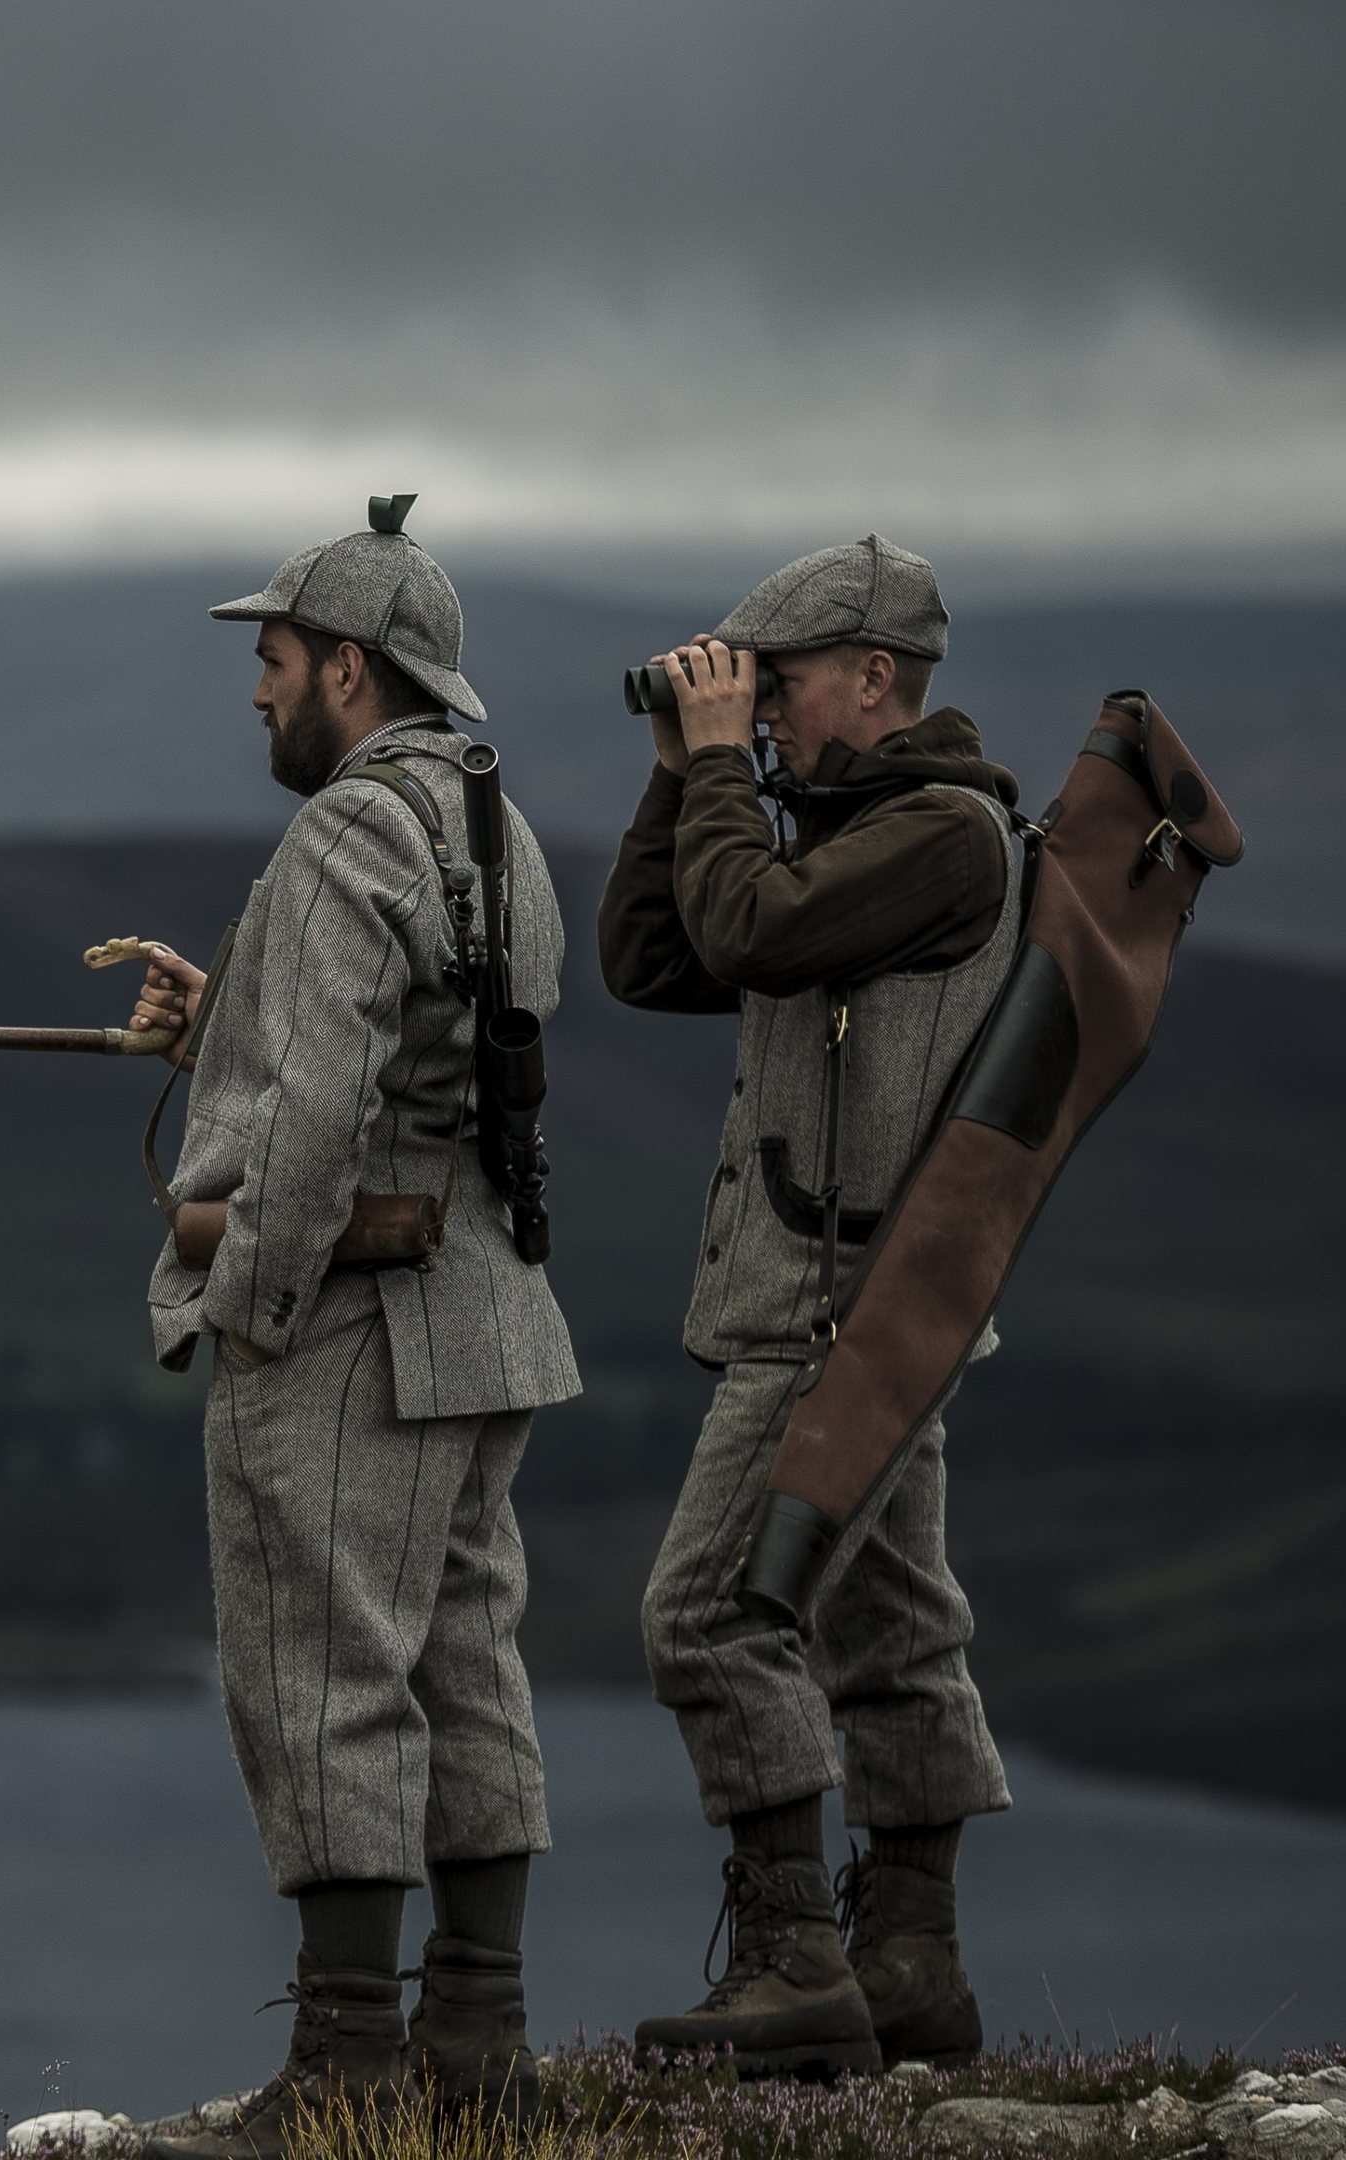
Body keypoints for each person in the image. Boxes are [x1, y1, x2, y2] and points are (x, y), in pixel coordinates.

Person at [121, 500, 580, 2155]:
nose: (256, 694)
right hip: (483, 1315)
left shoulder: (336, 840)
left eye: (270, 661)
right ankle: (477, 2048)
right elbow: (418, 1074)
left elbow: (317, 1120)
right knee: (463, 1664)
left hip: (347, 1331)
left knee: (318, 1677)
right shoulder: (495, 829)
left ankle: (342, 2075)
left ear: (346, 667)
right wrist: (213, 1027)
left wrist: (242, 1310)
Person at [599, 535, 1021, 2078]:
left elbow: (748, 932)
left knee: (708, 1614)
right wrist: (679, 772)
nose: (754, 710)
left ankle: (791, 1960)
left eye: (773, 686)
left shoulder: (942, 840)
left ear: (873, 676)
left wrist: (717, 773)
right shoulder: (844, 837)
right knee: (889, 1621)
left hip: (834, 1306)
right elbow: (655, 956)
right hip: (853, 1293)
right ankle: (911, 1962)